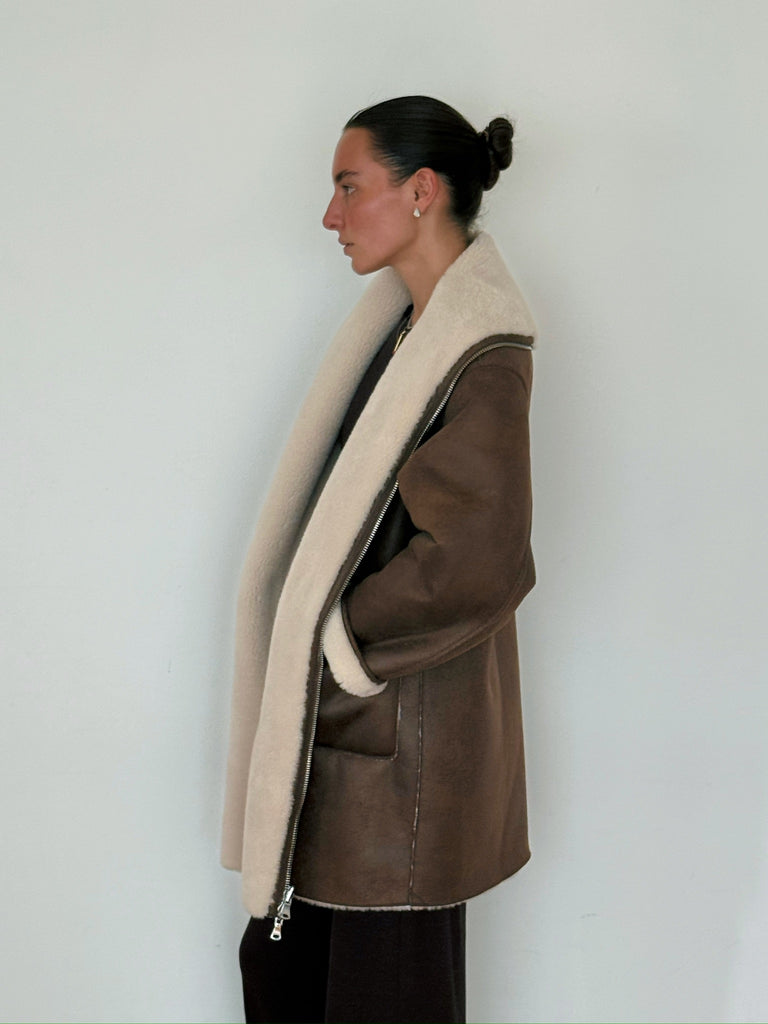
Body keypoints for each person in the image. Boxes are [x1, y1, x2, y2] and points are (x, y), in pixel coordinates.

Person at [221, 95, 537, 1023]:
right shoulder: (406, 332)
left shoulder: (479, 352)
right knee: (293, 978)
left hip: (404, 757)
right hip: (354, 737)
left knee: (381, 996)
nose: (331, 214)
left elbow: (477, 560)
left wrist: (334, 639)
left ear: (421, 190)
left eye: (349, 186)